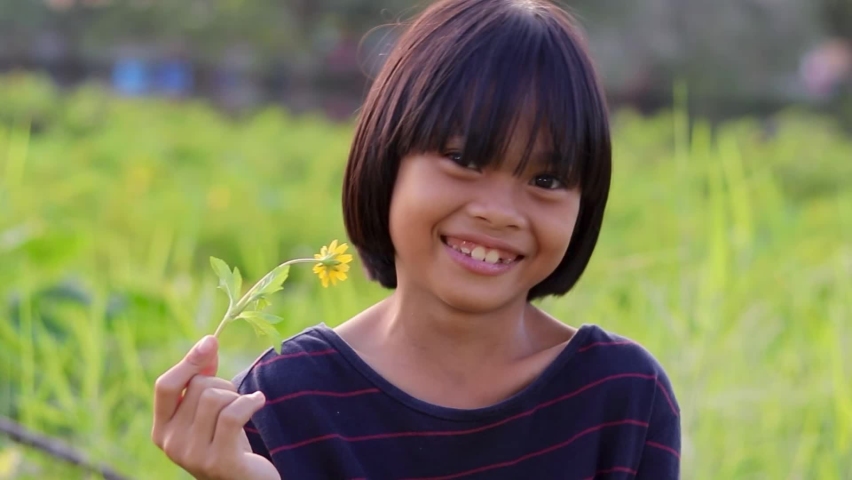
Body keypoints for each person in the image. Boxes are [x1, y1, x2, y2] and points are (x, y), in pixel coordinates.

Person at [151, 0, 681, 478]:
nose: (498, 212)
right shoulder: (281, 401)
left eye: (546, 179)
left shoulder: (623, 397)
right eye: (462, 159)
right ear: (387, 159)